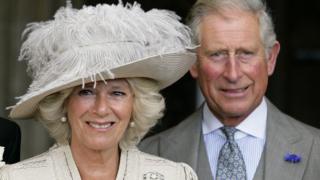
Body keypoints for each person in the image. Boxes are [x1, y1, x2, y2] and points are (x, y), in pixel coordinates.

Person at [0, 1, 199, 180]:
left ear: (136, 104)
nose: (102, 109)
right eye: (86, 92)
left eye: (117, 93)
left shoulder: (175, 176)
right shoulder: (16, 177)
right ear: (64, 104)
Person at [139, 0, 320, 179]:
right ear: (193, 62)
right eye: (217, 54)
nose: (233, 74)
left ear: (270, 58)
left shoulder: (315, 149)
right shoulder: (148, 156)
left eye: (246, 53)